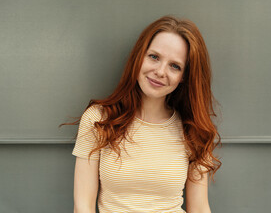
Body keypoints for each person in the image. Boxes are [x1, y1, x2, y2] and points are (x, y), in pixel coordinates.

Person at [62, 15, 222, 213]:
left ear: (183, 77)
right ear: (139, 57)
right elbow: (82, 207)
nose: (160, 71)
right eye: (154, 57)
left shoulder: (193, 130)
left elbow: (199, 208)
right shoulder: (99, 119)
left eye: (175, 66)